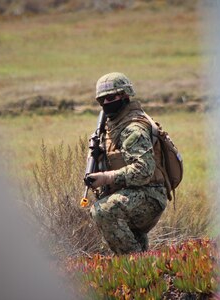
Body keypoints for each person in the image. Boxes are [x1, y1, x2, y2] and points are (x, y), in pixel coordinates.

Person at [87, 72, 168, 255]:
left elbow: (144, 170)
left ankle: (134, 264)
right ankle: (144, 274)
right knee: (133, 237)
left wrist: (106, 177)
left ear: (125, 96)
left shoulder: (133, 129)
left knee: (104, 211)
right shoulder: (113, 126)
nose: (107, 103)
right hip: (133, 193)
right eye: (102, 100)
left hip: (149, 194)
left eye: (111, 97)